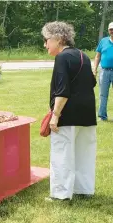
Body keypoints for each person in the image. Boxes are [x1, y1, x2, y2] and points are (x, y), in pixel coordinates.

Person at [41, 21, 97, 201]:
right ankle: (83, 189)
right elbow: (92, 82)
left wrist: (55, 116)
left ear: (58, 39)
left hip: (68, 114)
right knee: (83, 153)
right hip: (87, 114)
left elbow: (62, 90)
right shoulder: (84, 55)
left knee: (62, 154)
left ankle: (60, 194)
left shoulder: (62, 58)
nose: (45, 45)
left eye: (46, 40)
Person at [93, 22, 113, 122]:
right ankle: (102, 116)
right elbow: (97, 56)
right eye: (111, 29)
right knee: (103, 94)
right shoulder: (103, 41)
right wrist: (94, 69)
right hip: (104, 71)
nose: (112, 31)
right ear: (108, 30)